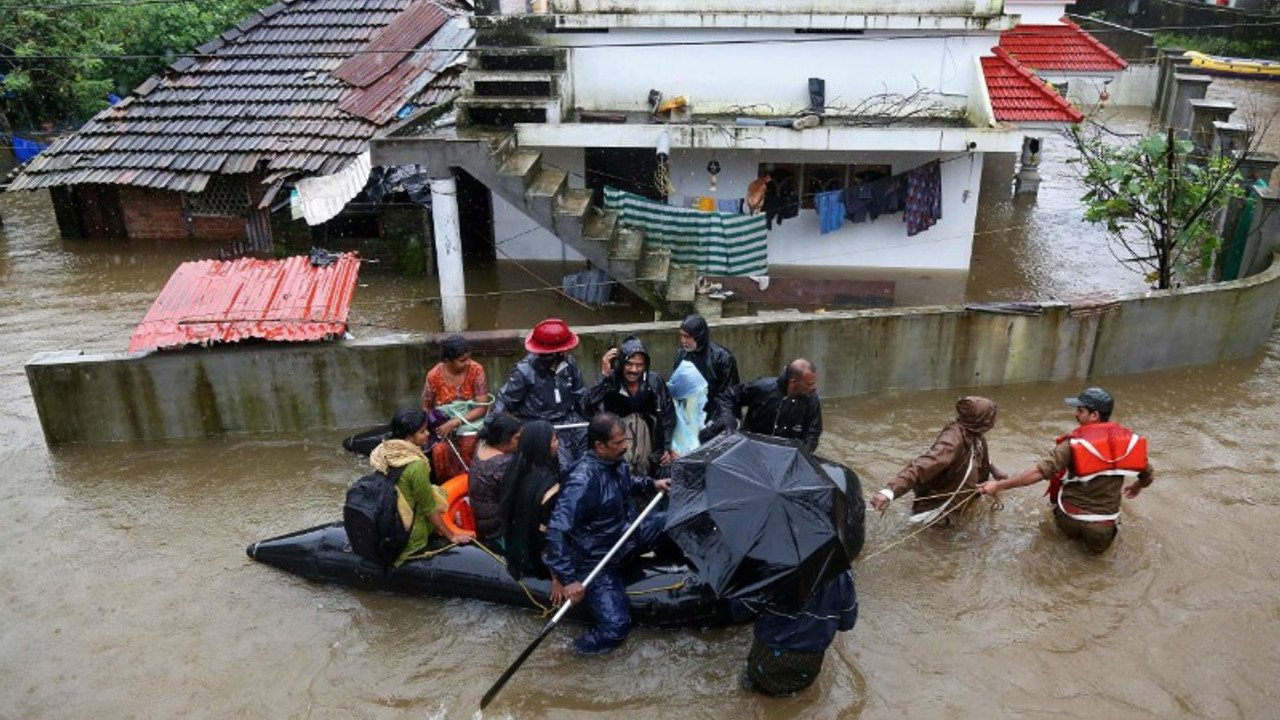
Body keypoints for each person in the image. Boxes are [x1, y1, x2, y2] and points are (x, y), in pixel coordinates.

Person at [542, 412, 671, 655]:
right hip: (599, 559)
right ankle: (570, 653)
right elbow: (556, 531)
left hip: (627, 535)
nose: (624, 448)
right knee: (615, 628)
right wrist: (568, 580)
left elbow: (625, 481)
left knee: (672, 521)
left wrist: (651, 484)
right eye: (618, 444)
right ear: (599, 446)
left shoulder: (615, 462)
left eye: (625, 442)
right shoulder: (581, 481)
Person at [978, 387, 1155, 553]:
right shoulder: (1129, 444)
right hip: (1101, 528)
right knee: (1095, 564)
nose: (1075, 414)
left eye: (1080, 410)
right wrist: (1137, 486)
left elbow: (1038, 473)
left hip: (1068, 518)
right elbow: (1148, 476)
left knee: (1060, 548)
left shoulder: (1072, 445)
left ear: (1094, 415)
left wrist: (998, 486)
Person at [871, 396, 1007, 524]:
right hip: (940, 510)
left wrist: (991, 468)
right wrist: (889, 492)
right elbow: (924, 465)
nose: (993, 422)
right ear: (979, 419)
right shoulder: (952, 441)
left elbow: (974, 454)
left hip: (961, 502)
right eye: (990, 417)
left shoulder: (974, 432)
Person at [370, 408, 474, 567]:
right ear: (409, 436)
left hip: (389, 520)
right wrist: (452, 536)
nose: (427, 434)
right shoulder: (416, 465)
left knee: (437, 491)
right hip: (411, 535)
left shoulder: (382, 452)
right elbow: (429, 508)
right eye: (422, 431)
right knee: (440, 498)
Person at [734, 568, 858, 697]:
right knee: (794, 698)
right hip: (808, 663)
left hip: (766, 657)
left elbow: (739, 612)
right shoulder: (843, 574)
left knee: (750, 689)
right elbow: (847, 623)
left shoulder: (774, 567)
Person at [493, 318, 589, 469]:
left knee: (589, 459)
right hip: (539, 426)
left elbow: (580, 395)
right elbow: (505, 400)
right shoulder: (525, 372)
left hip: (569, 421)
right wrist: (493, 430)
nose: (568, 352)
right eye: (565, 349)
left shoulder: (570, 364)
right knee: (564, 467)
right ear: (555, 354)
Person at [583, 335, 677, 476]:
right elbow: (586, 407)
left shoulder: (654, 382)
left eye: (639, 365)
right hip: (619, 441)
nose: (634, 369)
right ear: (621, 364)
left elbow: (667, 416)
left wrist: (666, 447)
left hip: (648, 443)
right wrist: (603, 376)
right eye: (629, 364)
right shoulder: (611, 381)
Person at [498, 420, 561, 581]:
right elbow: (549, 535)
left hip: (518, 551)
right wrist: (557, 577)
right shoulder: (549, 486)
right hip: (538, 559)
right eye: (554, 440)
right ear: (543, 446)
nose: (557, 444)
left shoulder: (513, 473)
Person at [421, 334, 490, 481]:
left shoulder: (476, 370)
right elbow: (426, 407)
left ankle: (473, 483)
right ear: (447, 361)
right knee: (439, 450)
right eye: (462, 360)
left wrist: (455, 422)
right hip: (444, 423)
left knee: (469, 444)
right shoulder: (433, 376)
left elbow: (481, 408)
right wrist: (433, 429)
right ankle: (448, 487)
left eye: (469, 358)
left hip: (472, 420)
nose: (468, 363)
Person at [730, 358, 823, 452]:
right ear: (793, 382)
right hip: (753, 447)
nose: (814, 387)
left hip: (788, 452)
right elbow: (730, 395)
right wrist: (732, 419)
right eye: (809, 384)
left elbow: (813, 433)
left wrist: (803, 453)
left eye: (814, 383)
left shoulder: (811, 399)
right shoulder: (763, 388)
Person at [672, 314, 739, 433]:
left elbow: (729, 395)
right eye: (681, 336)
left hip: (714, 414)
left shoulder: (722, 358)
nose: (683, 341)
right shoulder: (681, 355)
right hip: (690, 413)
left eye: (687, 337)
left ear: (699, 337)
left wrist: (715, 420)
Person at [466, 413, 523, 546]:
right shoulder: (504, 463)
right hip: (496, 527)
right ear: (504, 440)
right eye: (517, 438)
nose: (520, 441)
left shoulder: (481, 445)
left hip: (480, 518)